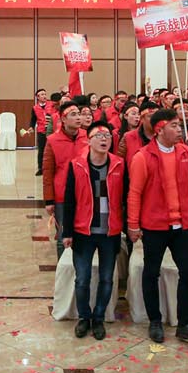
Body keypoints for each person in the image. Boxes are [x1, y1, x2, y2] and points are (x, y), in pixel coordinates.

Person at [128, 109, 188, 346]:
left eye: (179, 125)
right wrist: (133, 224)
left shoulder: (185, 153)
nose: (179, 130)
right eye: (174, 125)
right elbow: (135, 193)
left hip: (183, 225)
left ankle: (185, 324)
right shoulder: (143, 157)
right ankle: (155, 320)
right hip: (155, 225)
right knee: (151, 272)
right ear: (159, 129)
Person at [61, 121, 124, 341]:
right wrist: (67, 232)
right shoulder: (77, 165)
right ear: (88, 140)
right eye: (99, 135)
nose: (104, 139)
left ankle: (98, 318)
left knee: (107, 279)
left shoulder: (119, 164)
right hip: (83, 231)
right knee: (82, 279)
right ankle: (84, 317)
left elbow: (126, 197)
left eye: (107, 135)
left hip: (110, 232)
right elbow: (69, 201)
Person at [43, 101, 88, 258]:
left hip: (85, 194)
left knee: (84, 234)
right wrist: (49, 200)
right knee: (63, 235)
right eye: (73, 115)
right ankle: (63, 268)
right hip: (62, 195)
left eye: (79, 114)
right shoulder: (53, 140)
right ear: (63, 119)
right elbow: (47, 172)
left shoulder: (87, 137)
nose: (78, 118)